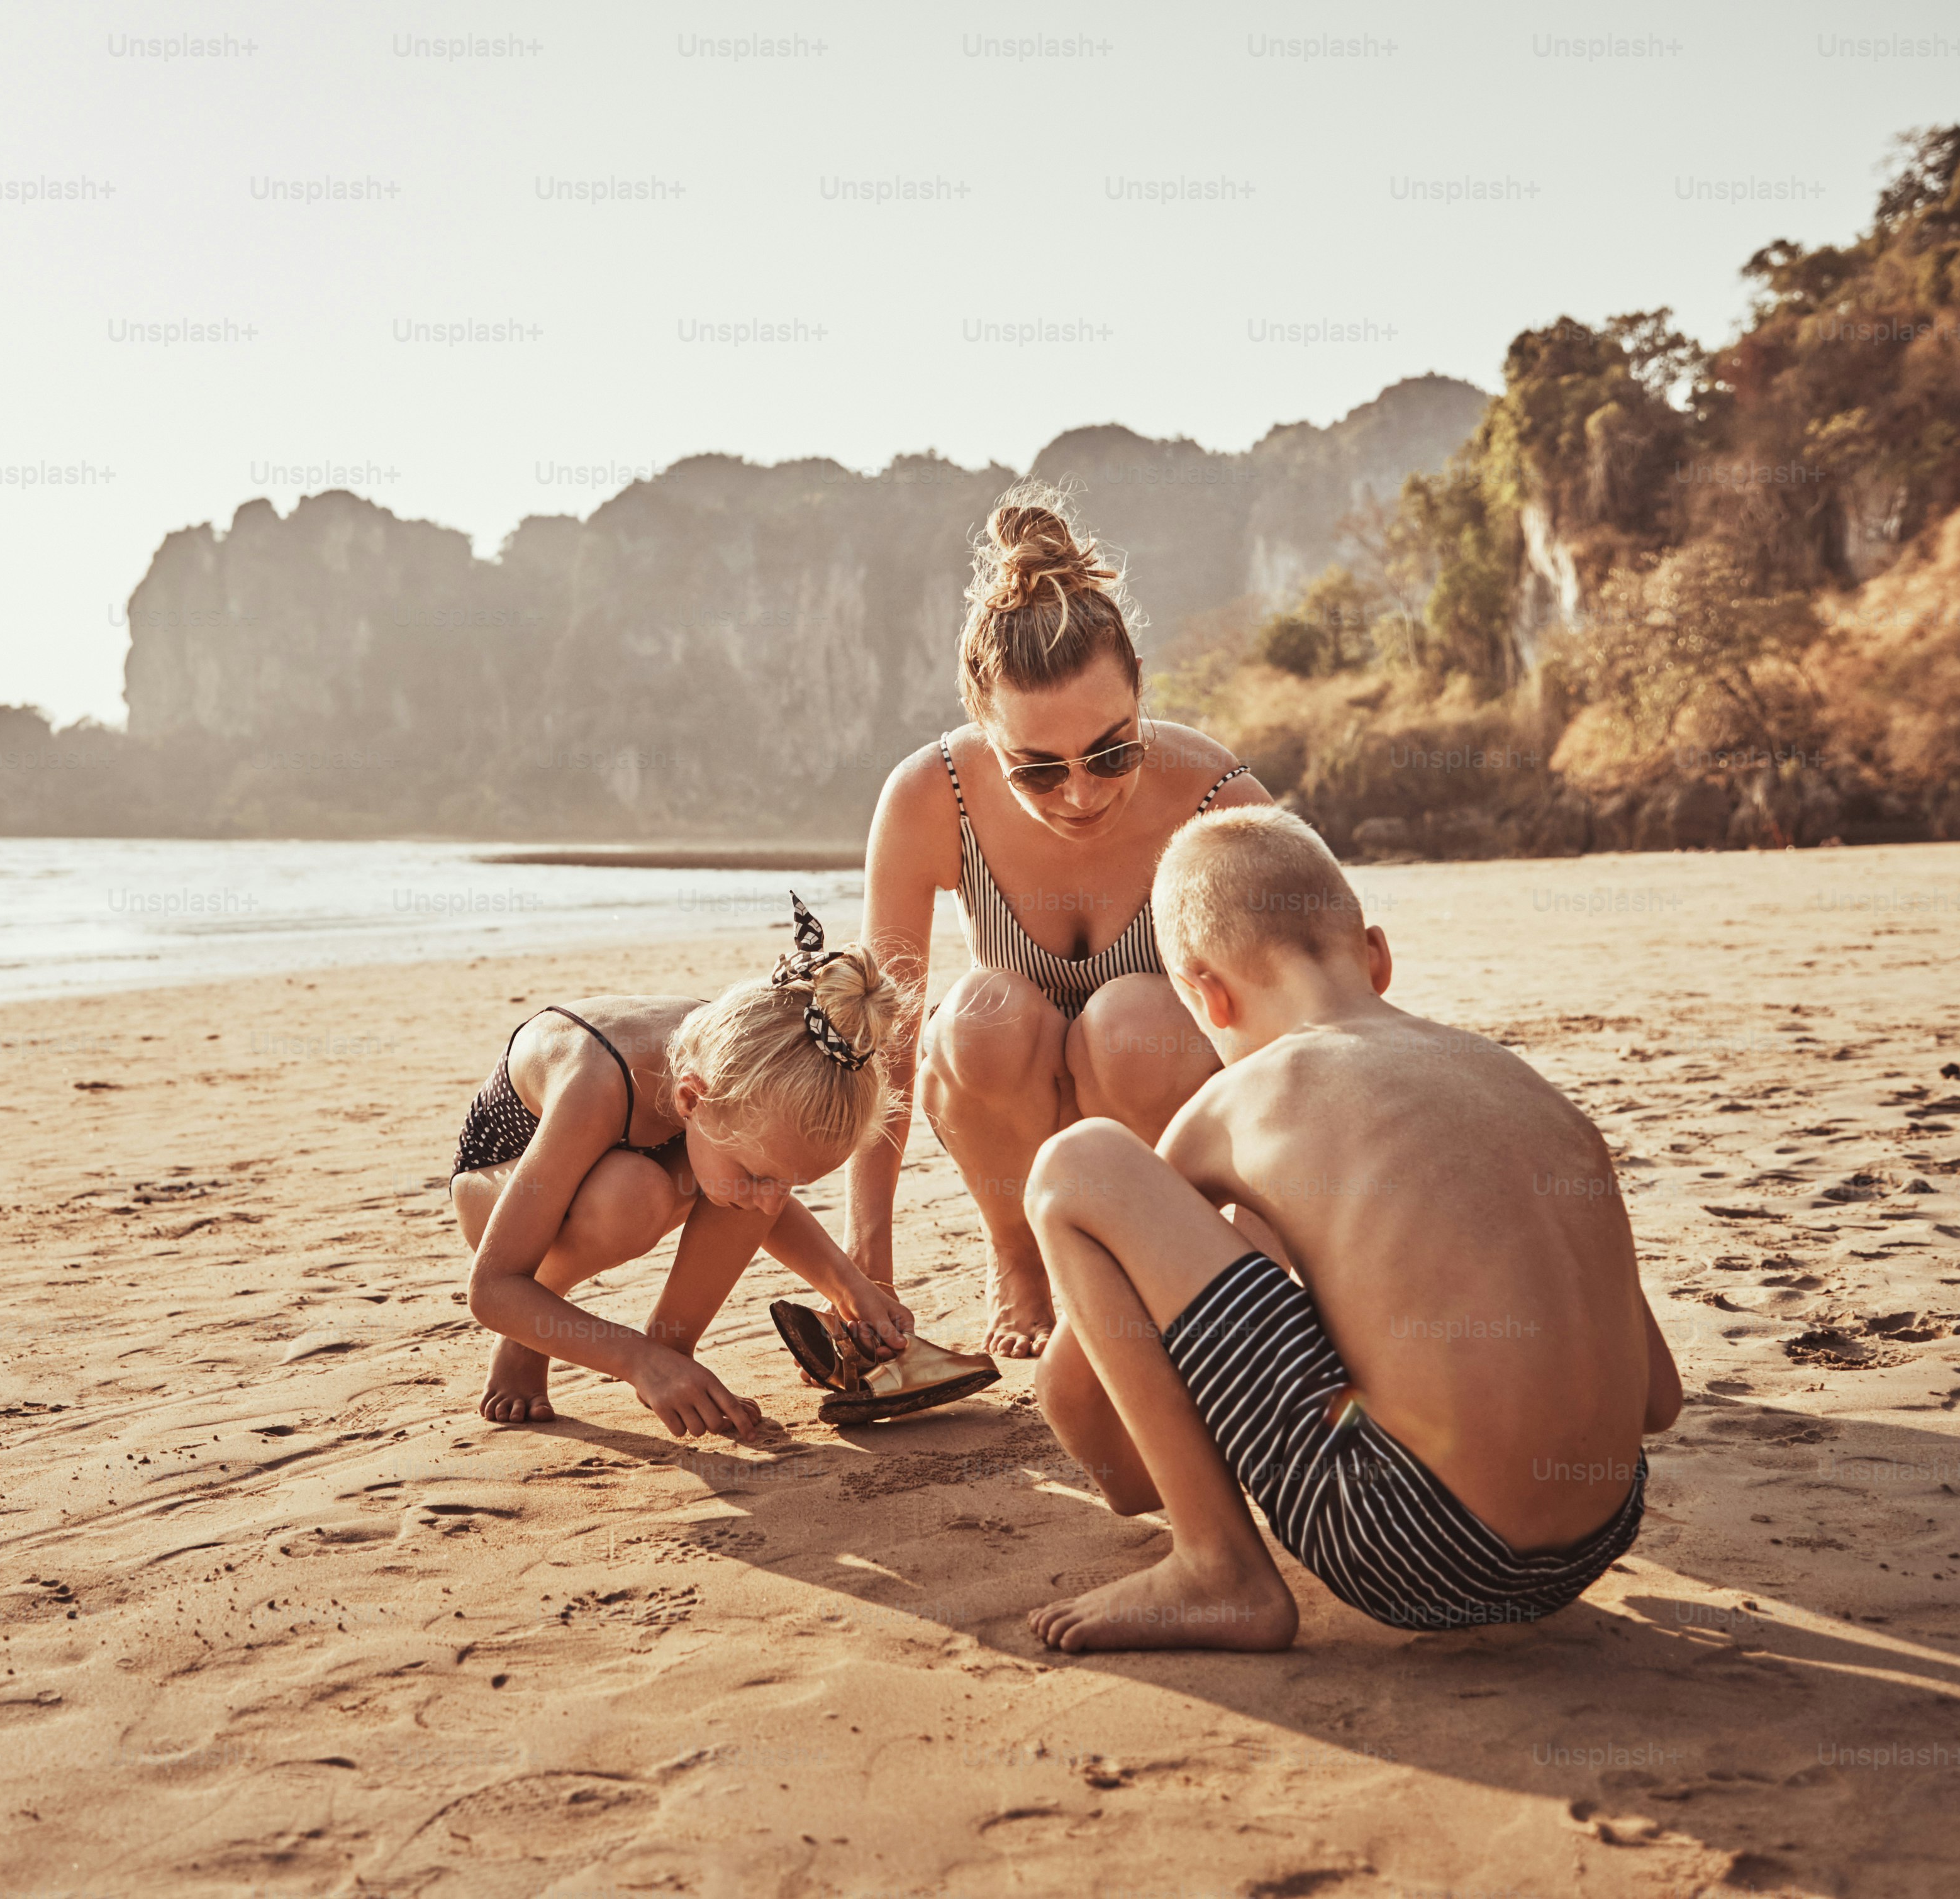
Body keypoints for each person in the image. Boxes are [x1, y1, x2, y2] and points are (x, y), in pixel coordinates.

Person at [1020, 808, 1684, 1651]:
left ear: (1203, 994)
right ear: (1374, 955)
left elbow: (1095, 1433)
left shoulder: (1238, 1099)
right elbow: (1658, 1401)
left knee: (1077, 1161)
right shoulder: (1521, 1084)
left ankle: (1215, 1566)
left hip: (1415, 1546)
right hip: (1597, 1533)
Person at [844, 489, 1269, 1366]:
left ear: (1140, 688)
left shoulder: (1217, 798)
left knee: (1134, 1019)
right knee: (976, 1018)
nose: (1080, 793)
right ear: (981, 733)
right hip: (1006, 1101)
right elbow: (879, 1038)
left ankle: (1147, 1257)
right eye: (1035, 771)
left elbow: (1290, 1043)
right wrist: (866, 1261)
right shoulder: (930, 796)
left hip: (1156, 1100)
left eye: (1111, 751)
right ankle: (1021, 1259)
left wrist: (1269, 1264)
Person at [453, 899, 953, 1436]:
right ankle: (534, 1337)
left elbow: (759, 1185)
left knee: (735, 1189)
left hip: (633, 1160)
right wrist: (636, 1362)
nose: (773, 1199)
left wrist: (853, 1290)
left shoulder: (754, 1054)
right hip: (501, 1184)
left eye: (787, 1181)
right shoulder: (595, 1081)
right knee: (634, 1193)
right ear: (690, 1099)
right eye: (765, 1174)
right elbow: (491, 1286)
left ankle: (673, 1345)